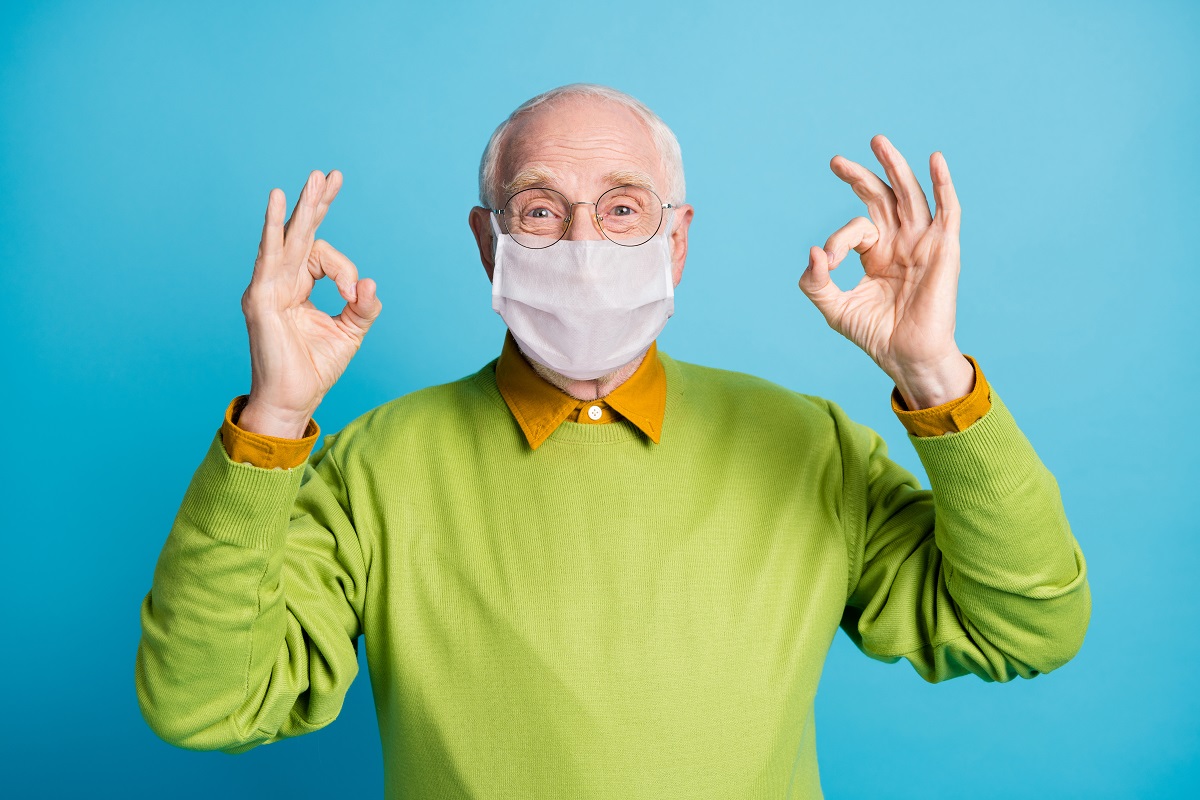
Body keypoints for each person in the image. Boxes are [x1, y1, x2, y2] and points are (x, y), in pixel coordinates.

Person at [136, 83, 1090, 798]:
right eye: (541, 210)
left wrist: (933, 373)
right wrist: (271, 415)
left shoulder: (807, 446)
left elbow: (1026, 627)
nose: (586, 242)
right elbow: (203, 702)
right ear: (488, 242)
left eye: (624, 208)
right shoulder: (374, 466)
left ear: (675, 242)